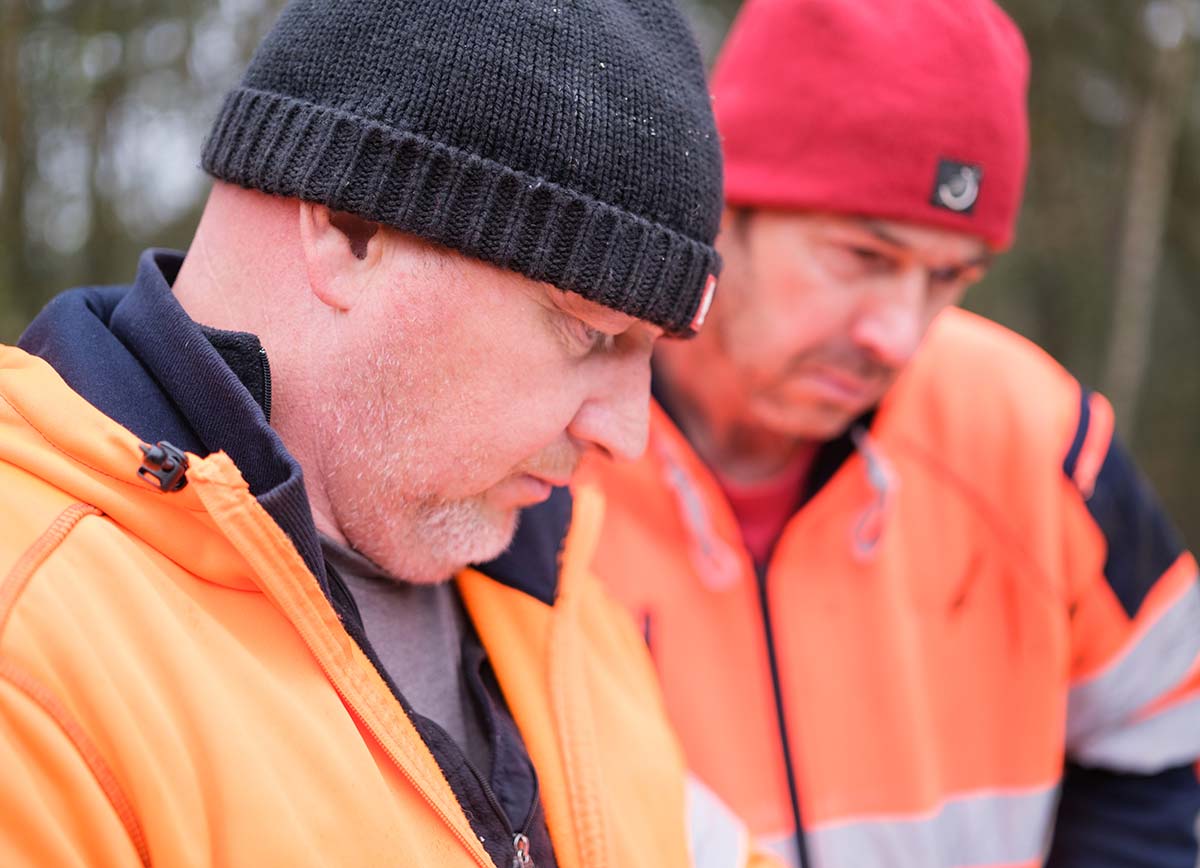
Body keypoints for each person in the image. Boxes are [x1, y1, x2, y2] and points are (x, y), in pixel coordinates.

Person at [0, 2, 764, 866]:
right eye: (589, 329)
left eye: (650, 353)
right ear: (349, 229)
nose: (630, 435)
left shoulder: (558, 594)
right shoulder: (34, 655)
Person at [582, 0, 1200, 865]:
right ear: (719, 206)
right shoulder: (543, 449)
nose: (900, 336)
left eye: (948, 277)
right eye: (863, 258)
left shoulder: (1034, 433)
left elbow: (1167, 730)